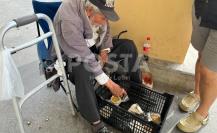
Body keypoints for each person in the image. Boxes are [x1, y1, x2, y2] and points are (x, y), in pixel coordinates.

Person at [53, 0, 141, 132]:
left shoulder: (96, 8)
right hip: (71, 54)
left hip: (92, 48)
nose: (105, 21)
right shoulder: (69, 19)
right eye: (103, 17)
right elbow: (84, 55)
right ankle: (96, 122)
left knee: (128, 46)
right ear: (89, 11)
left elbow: (106, 30)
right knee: (83, 69)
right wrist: (110, 84)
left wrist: (104, 50)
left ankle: (136, 89)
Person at [177, 0, 217, 132]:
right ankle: (197, 93)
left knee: (210, 71)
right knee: (201, 55)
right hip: (203, 7)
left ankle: (202, 113)